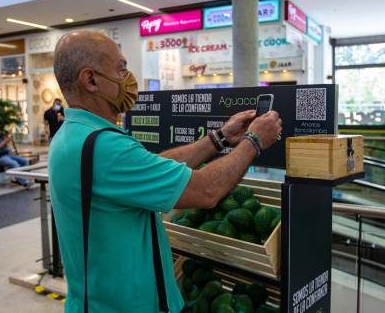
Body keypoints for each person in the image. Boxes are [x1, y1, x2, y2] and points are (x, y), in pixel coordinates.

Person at [49, 31, 282, 313]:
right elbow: (206, 190)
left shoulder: (72, 136)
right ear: (91, 80)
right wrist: (254, 141)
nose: (128, 77)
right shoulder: (105, 147)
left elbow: (150, 164)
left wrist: (220, 138)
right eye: (121, 68)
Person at [0, 123, 32, 188]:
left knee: (24, 161)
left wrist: (10, 149)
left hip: (8, 155)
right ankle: (24, 182)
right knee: (14, 163)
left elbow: (5, 147)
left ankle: (19, 180)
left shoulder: (1, 136)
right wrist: (4, 142)